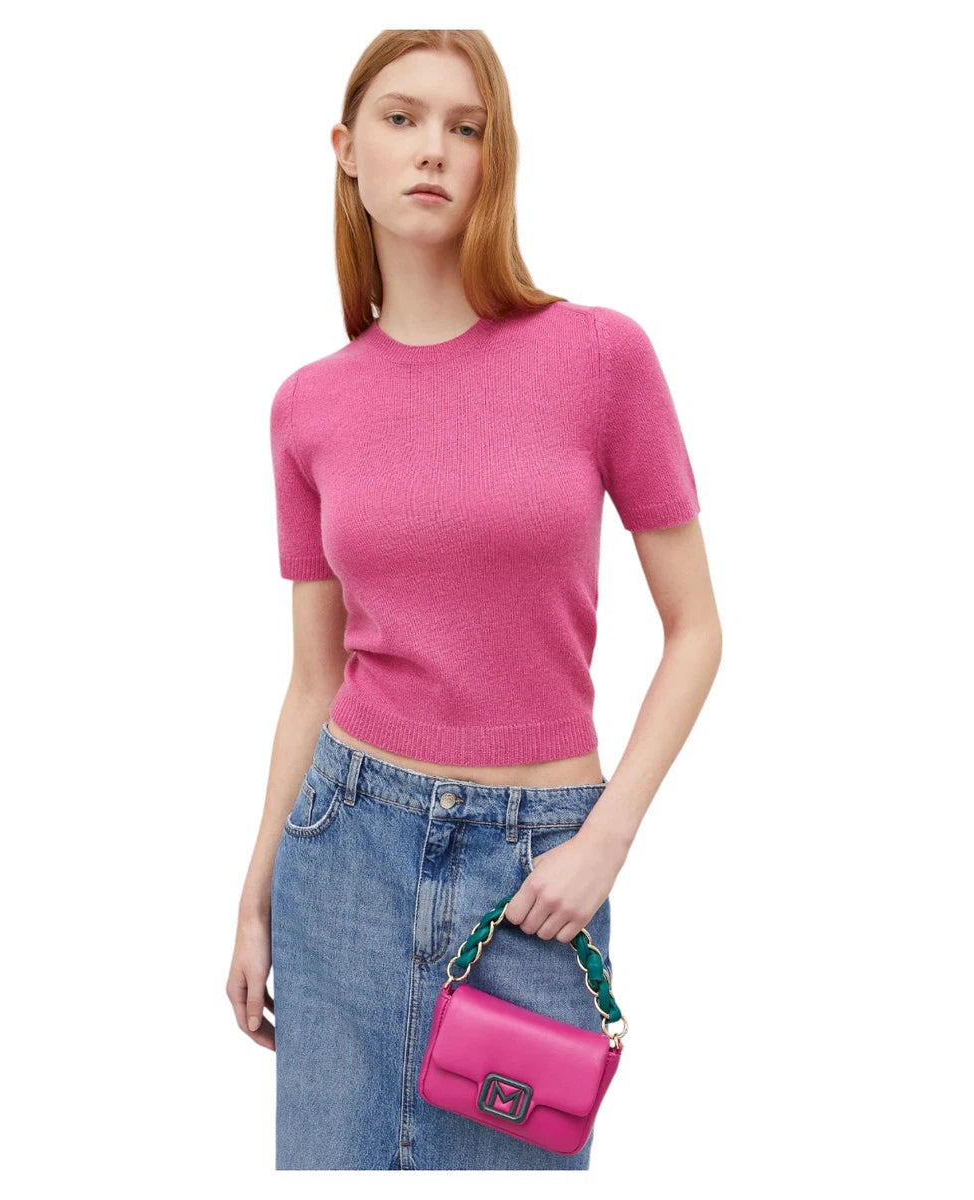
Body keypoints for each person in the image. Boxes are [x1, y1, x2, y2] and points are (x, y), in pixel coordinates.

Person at [226, 29, 721, 1171]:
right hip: (344, 855)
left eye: (466, 127)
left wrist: (604, 841)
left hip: (536, 879)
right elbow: (314, 678)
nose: (432, 150)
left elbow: (697, 629)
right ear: (346, 150)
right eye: (401, 120)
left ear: (497, 159)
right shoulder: (307, 406)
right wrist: (254, 894)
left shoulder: (599, 356)